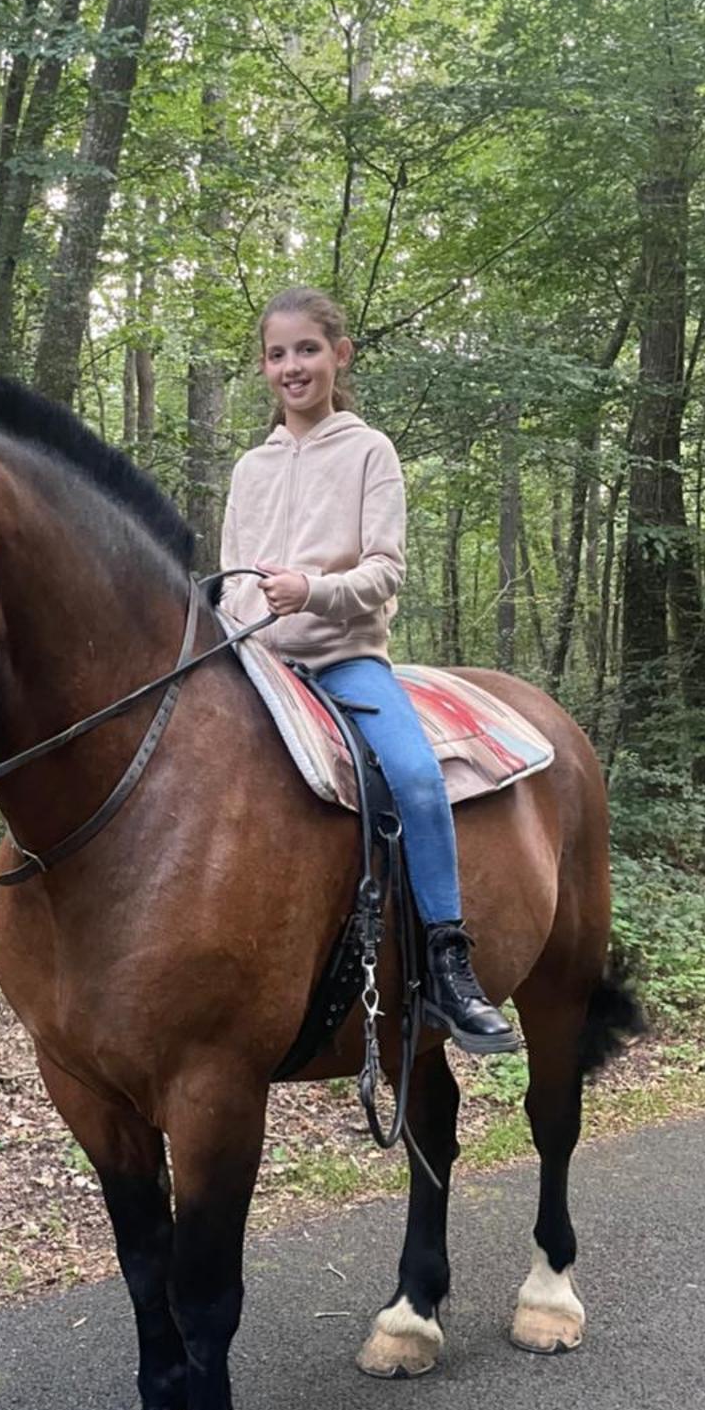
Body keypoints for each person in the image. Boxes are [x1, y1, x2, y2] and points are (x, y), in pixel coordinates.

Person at [219, 286, 518, 1054]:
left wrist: (311, 590)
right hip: (257, 664)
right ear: (264, 366)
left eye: (308, 350)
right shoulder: (250, 468)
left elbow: (385, 570)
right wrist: (235, 620)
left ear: (339, 356)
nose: (293, 367)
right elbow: (230, 576)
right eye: (279, 354)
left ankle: (449, 964)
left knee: (416, 778)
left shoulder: (368, 452)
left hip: (344, 660)